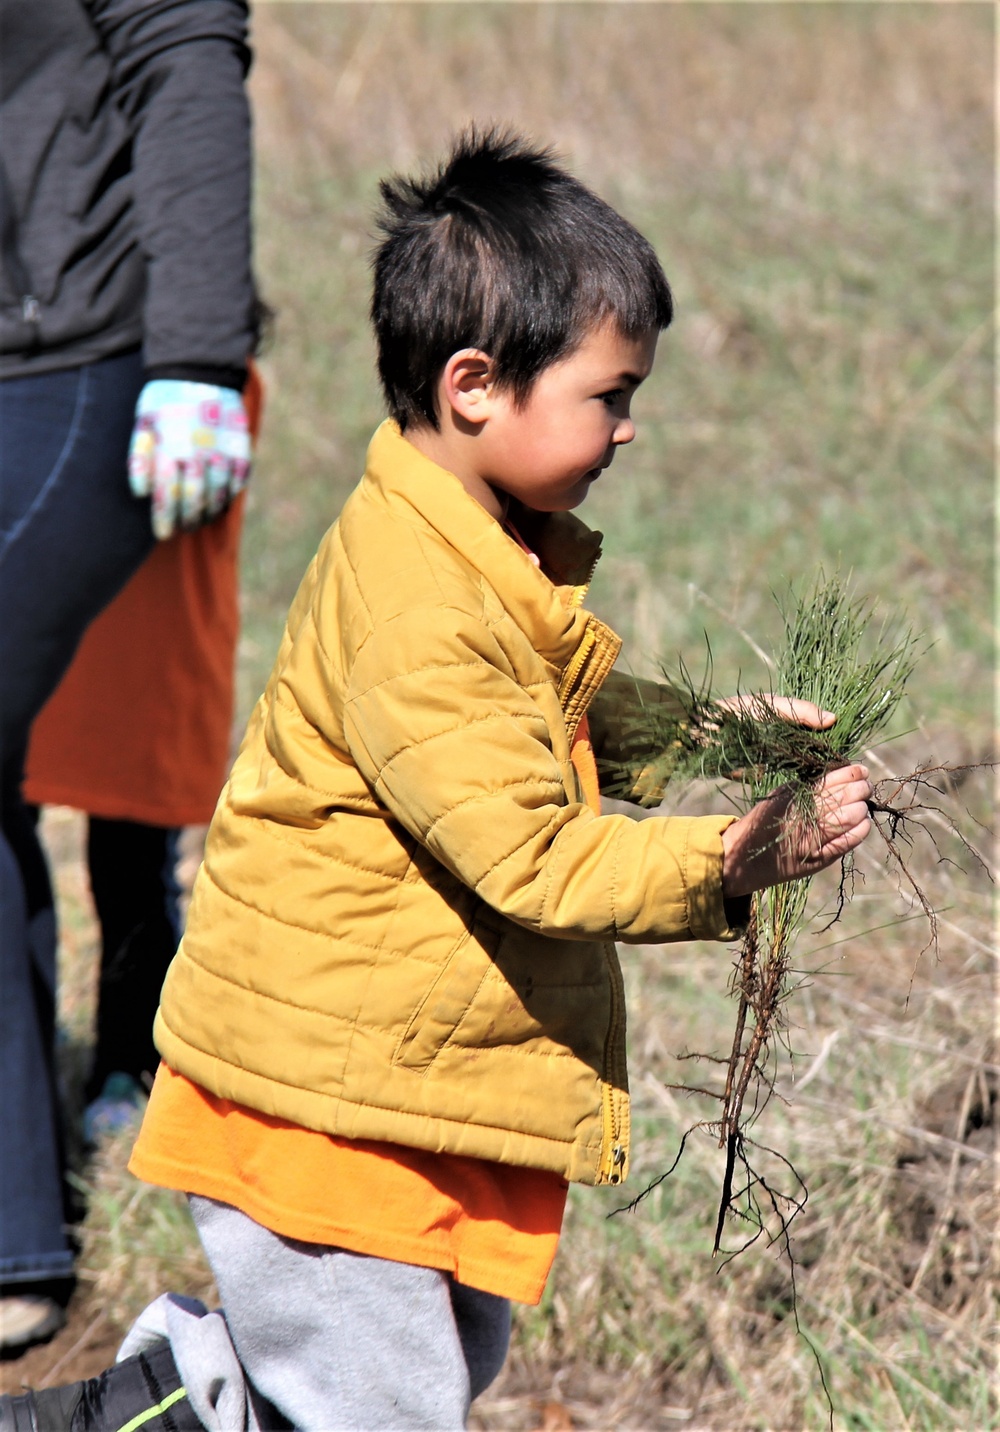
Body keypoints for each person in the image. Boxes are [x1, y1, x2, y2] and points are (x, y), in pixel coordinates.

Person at [0, 129, 874, 1432]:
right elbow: (534, 857)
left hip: (385, 1084)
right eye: (608, 394)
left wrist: (709, 733)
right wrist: (730, 861)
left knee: (420, 1365)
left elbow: (540, 713)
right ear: (475, 386)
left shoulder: (461, 540)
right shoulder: (422, 601)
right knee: (385, 1408)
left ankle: (168, 1403)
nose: (628, 429)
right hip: (318, 1110)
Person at [0, 0, 257, 1354]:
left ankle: (131, 1052)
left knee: (137, 756)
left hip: (117, 366)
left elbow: (185, 56)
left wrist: (198, 354)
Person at [23, 364, 264, 1143]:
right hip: (43, 630)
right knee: (20, 861)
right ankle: (34, 1057)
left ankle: (126, 1062)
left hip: (148, 649)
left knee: (130, 870)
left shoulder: (206, 377)